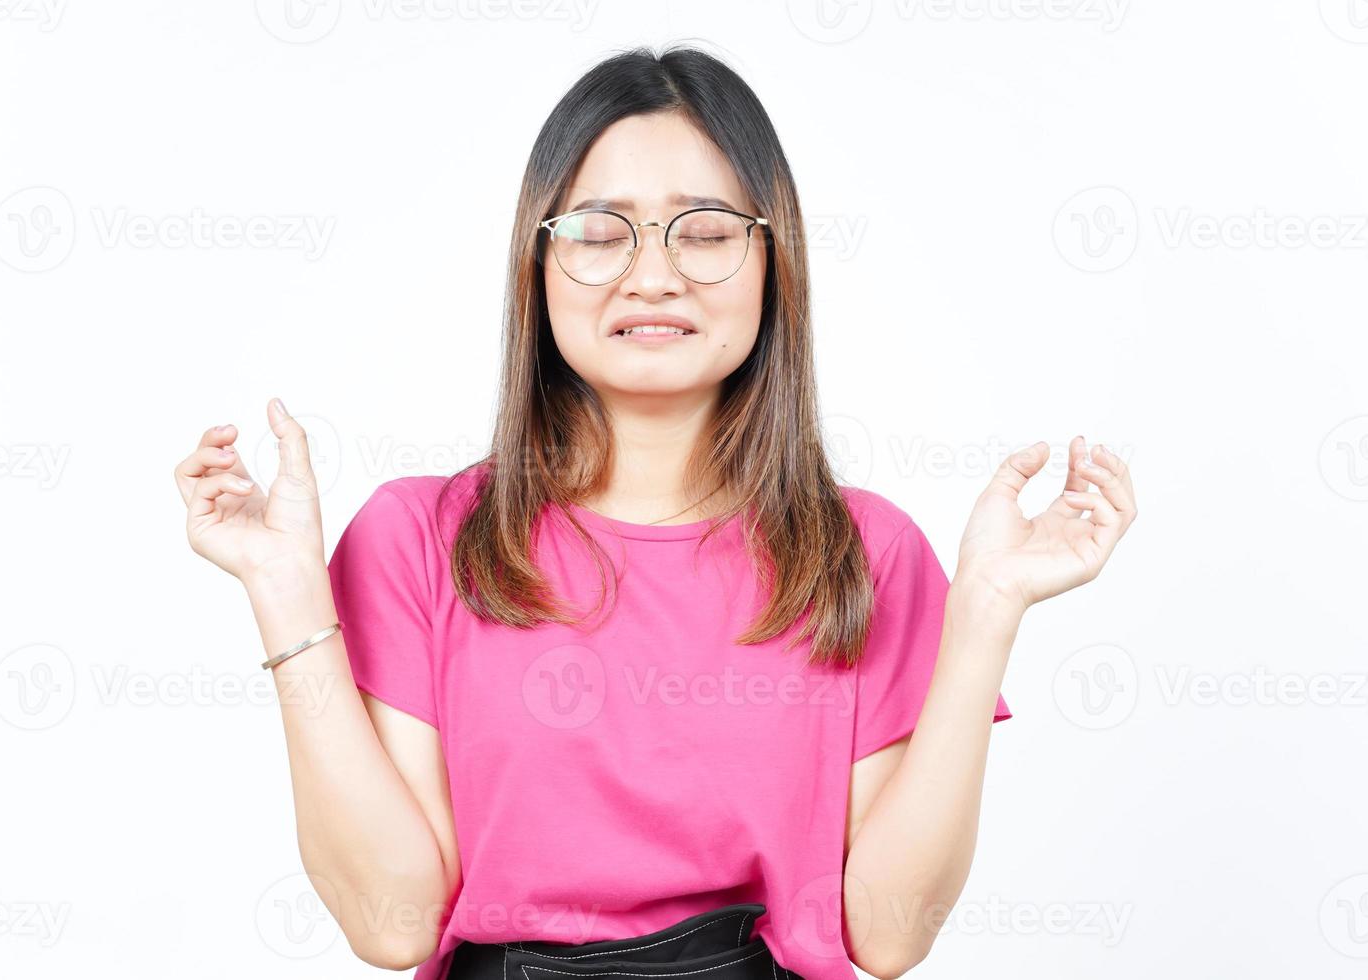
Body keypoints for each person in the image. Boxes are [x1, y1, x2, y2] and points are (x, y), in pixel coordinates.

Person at [173, 44, 1136, 980]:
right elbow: (393, 923)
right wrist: (288, 591)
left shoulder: (864, 554)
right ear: (537, 265)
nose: (654, 274)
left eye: (706, 229)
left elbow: (887, 938)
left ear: (774, 261)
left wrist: (986, 613)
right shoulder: (419, 539)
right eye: (600, 231)